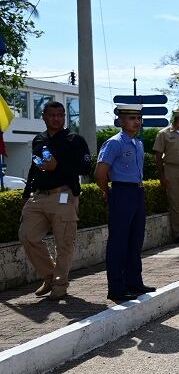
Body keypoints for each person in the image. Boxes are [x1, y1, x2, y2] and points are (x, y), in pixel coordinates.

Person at [19, 100, 92, 300]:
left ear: (64, 117)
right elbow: (35, 166)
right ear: (44, 117)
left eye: (60, 115)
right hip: (39, 196)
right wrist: (27, 193)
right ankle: (49, 276)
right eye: (52, 115)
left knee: (64, 243)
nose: (56, 119)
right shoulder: (38, 140)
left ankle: (60, 284)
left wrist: (57, 167)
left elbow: (86, 168)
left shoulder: (74, 139)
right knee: (28, 236)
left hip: (64, 195)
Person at [95, 103, 154, 303]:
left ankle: (134, 282)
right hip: (121, 192)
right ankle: (116, 288)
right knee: (118, 243)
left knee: (135, 241)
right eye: (131, 118)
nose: (136, 122)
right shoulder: (114, 143)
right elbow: (100, 173)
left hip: (137, 192)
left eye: (138, 118)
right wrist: (107, 192)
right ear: (120, 120)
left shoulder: (138, 144)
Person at [152, 109, 179, 243]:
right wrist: (162, 176)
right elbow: (158, 156)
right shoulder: (163, 134)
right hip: (171, 170)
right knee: (175, 203)